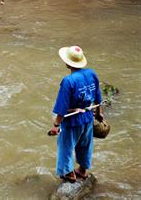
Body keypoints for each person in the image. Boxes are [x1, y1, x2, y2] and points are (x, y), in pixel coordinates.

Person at [49, 46, 104, 183]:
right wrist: (98, 112)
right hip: (87, 117)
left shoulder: (68, 81)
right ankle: (83, 170)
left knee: (66, 146)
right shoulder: (91, 73)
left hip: (72, 121)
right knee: (85, 144)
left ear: (68, 63)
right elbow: (97, 95)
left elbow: (62, 106)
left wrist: (56, 125)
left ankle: (69, 173)